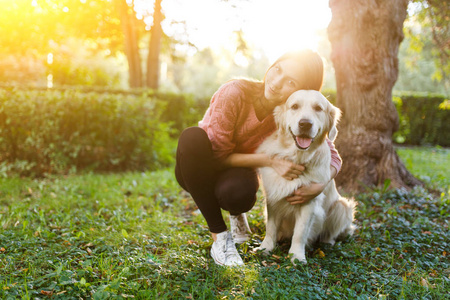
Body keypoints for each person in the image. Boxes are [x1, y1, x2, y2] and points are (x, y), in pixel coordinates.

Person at [174, 49, 342, 267]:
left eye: (291, 81)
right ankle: (221, 240)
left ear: (301, 89)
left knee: (241, 191)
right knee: (192, 137)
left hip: (234, 176)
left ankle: (236, 213)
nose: (277, 82)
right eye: (278, 69)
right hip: (197, 166)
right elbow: (217, 157)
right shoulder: (234, 93)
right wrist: (270, 161)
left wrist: (320, 185)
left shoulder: (288, 113)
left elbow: (334, 156)